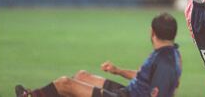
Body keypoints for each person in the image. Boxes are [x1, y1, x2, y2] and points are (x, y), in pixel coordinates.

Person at [15, 13, 182, 97]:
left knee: (66, 83)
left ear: (152, 32)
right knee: (82, 76)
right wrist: (118, 70)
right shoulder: (171, 54)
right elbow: (150, 79)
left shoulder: (164, 62)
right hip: (129, 91)